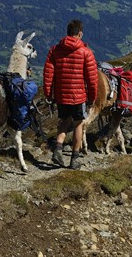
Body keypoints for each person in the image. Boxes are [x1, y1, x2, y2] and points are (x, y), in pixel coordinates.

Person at [43, 19, 98, 170]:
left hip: (61, 95)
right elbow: (92, 79)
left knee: (64, 121)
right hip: (78, 96)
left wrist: (48, 94)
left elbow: (48, 74)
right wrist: (92, 98)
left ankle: (58, 149)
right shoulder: (86, 52)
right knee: (78, 124)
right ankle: (74, 158)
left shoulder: (54, 50)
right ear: (80, 33)